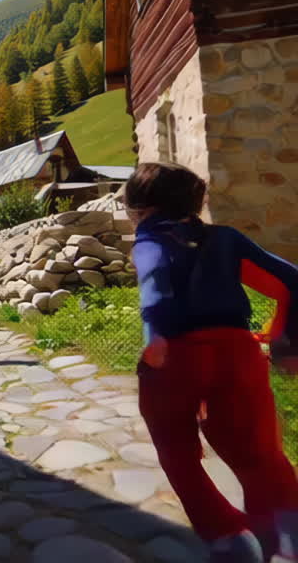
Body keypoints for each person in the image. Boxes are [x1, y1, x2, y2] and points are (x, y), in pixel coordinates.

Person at [126, 162, 298, 563]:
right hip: (237, 352)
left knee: (175, 449)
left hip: (175, 357)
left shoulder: (149, 238)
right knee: (259, 454)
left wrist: (153, 338)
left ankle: (228, 535)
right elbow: (292, 279)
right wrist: (285, 341)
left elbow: (153, 278)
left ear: (144, 211)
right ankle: (287, 539)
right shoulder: (225, 238)